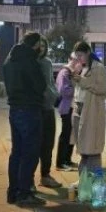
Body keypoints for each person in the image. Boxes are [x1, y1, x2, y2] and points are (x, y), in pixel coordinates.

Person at [2, 32, 46, 207]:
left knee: (17, 152)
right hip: (30, 109)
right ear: (35, 45)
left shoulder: (10, 60)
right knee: (30, 153)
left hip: (14, 109)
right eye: (40, 45)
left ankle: (13, 191)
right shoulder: (30, 61)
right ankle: (24, 193)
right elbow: (40, 86)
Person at [71, 42, 106, 175]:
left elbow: (101, 88)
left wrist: (81, 80)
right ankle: (84, 179)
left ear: (88, 52)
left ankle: (93, 179)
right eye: (77, 56)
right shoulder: (82, 67)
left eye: (81, 55)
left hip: (91, 112)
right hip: (78, 110)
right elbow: (78, 89)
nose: (79, 58)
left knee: (92, 148)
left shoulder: (98, 68)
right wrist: (75, 76)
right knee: (83, 148)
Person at [37, 38, 62, 189]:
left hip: (49, 108)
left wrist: (55, 95)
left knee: (49, 143)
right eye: (39, 45)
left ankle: (45, 175)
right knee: (36, 144)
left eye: (43, 46)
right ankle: (31, 178)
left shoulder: (47, 62)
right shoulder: (33, 62)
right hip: (37, 108)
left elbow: (50, 82)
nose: (41, 48)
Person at [55, 55, 78, 171]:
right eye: (75, 59)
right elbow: (63, 91)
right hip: (66, 108)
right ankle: (60, 162)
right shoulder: (64, 72)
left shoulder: (72, 73)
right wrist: (77, 88)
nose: (77, 62)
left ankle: (67, 160)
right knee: (66, 134)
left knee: (71, 134)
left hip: (71, 107)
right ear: (70, 59)